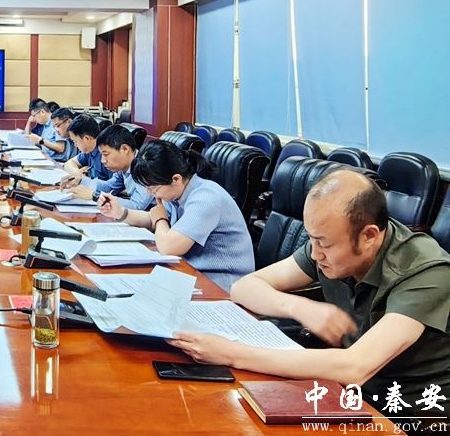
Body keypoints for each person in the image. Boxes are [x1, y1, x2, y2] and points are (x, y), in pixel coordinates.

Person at [170, 170, 449, 418]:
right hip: (346, 392)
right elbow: (244, 288)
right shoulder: (329, 243)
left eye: (323, 243)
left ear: (369, 236)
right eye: (311, 239)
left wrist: (231, 354)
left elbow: (356, 367)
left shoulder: (427, 272)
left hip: (409, 411)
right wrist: (300, 307)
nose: (315, 254)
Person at [101, 139, 254, 290]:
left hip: (222, 283)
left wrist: (160, 219)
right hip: (190, 270)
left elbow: (169, 246)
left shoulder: (206, 197)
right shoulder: (177, 192)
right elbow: (152, 217)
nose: (150, 193)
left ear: (176, 179)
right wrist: (120, 212)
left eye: (153, 188)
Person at [78, 124, 152, 208]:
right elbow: (109, 187)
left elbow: (137, 206)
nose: (103, 161)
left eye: (106, 154)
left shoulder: (145, 167)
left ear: (125, 149)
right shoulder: (123, 167)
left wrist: (96, 196)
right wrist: (80, 180)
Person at [60, 114, 112, 186]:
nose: (75, 145)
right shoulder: (88, 151)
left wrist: (82, 179)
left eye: (76, 141)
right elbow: (69, 163)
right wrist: (78, 174)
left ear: (87, 138)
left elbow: (113, 187)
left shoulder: (106, 155)